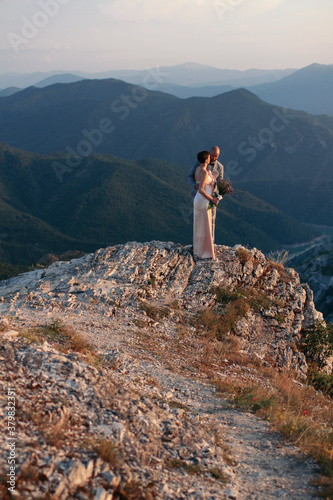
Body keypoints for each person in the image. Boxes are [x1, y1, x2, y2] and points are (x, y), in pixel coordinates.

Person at [187, 146, 224, 242]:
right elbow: (190, 176)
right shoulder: (200, 162)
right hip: (200, 195)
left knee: (211, 220)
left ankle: (210, 243)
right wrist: (195, 184)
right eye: (212, 155)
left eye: (216, 156)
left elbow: (221, 184)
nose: (214, 158)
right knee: (199, 220)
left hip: (212, 196)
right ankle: (199, 243)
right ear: (209, 153)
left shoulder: (220, 167)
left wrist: (219, 196)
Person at [193, 151, 220, 260]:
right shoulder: (204, 172)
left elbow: (197, 184)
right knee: (205, 225)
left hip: (197, 200)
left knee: (199, 225)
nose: (210, 159)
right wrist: (212, 199)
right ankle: (205, 252)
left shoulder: (197, 170)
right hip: (204, 200)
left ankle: (199, 250)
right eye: (209, 157)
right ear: (206, 160)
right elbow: (201, 190)